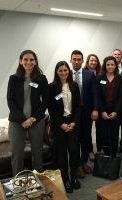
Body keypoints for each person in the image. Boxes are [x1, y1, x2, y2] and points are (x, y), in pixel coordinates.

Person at [7, 50, 49, 175]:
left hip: (36, 121)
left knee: (37, 153)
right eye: (25, 59)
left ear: (35, 62)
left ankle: (38, 180)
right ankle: (17, 181)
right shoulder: (14, 79)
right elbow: (10, 101)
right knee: (17, 154)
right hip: (17, 122)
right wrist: (23, 120)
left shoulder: (41, 79)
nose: (28, 62)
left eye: (31, 60)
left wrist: (33, 118)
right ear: (21, 61)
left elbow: (46, 100)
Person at [48, 61, 81, 193]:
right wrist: (61, 124)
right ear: (56, 72)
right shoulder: (52, 87)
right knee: (61, 154)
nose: (63, 73)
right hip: (59, 124)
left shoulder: (74, 85)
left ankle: (73, 176)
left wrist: (74, 122)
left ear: (69, 71)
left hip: (72, 123)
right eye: (60, 70)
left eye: (65, 70)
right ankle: (65, 179)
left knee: (73, 151)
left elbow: (78, 106)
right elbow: (51, 108)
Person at [70, 50, 99, 178]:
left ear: (82, 61)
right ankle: (76, 165)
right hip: (71, 115)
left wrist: (95, 109)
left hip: (87, 112)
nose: (76, 61)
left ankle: (84, 162)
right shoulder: (66, 74)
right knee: (75, 141)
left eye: (79, 59)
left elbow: (95, 94)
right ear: (71, 60)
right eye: (74, 59)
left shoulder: (89, 74)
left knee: (86, 139)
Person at [97, 56, 122, 157]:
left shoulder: (120, 78)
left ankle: (113, 156)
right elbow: (98, 96)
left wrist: (116, 112)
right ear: (105, 65)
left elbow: (121, 96)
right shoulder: (99, 78)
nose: (110, 66)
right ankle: (106, 155)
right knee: (104, 135)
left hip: (115, 111)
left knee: (114, 134)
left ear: (115, 65)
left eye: (112, 64)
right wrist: (102, 111)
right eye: (108, 64)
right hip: (103, 111)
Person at [84, 53, 101, 161]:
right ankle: (90, 151)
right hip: (87, 106)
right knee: (88, 131)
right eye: (91, 61)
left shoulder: (100, 74)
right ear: (88, 61)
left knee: (99, 129)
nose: (93, 62)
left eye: (95, 61)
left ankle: (99, 150)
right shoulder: (83, 73)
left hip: (99, 105)